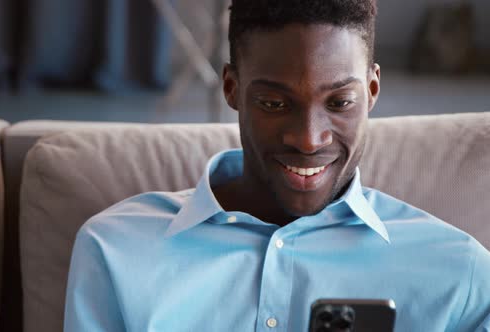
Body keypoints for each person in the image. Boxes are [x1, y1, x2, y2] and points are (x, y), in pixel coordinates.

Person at [64, 1, 490, 331]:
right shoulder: (114, 250)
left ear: (373, 90)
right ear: (232, 88)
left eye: (340, 103)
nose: (308, 138)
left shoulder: (462, 273)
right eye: (273, 103)